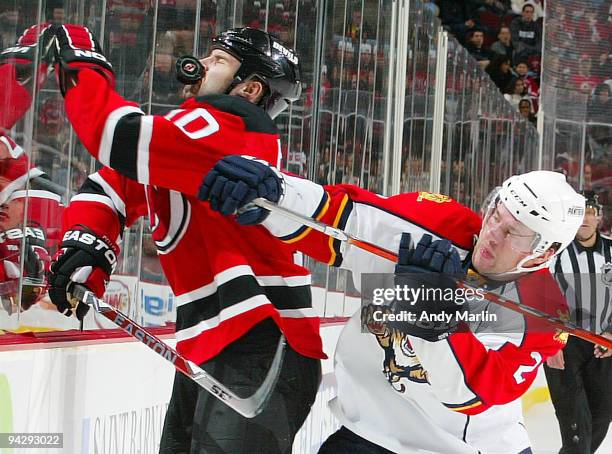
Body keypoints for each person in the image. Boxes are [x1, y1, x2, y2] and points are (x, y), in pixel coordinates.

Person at [45, 24, 324, 453]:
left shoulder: (229, 128)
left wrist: (83, 62)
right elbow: (110, 188)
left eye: (219, 60)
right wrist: (88, 244)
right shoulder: (191, 137)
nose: (203, 62)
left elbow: (113, 135)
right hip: (217, 344)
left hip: (263, 339)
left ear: (249, 88)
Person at [199, 157, 586, 453]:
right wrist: (275, 193)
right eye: (496, 217)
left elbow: (469, 394)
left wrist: (434, 315)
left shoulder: (542, 308)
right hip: (369, 434)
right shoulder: (437, 226)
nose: (491, 236)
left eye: (514, 233)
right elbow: (342, 221)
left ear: (542, 252)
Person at [545, 190, 612, 454]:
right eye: (578, 213)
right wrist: (550, 342)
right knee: (575, 426)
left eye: (590, 213)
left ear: (599, 218)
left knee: (602, 417)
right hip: (564, 344)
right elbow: (535, 297)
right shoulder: (554, 252)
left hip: (602, 344)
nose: (584, 218)